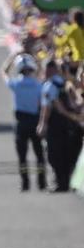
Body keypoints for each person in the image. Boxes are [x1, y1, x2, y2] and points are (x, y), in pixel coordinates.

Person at [1, 53, 46, 191]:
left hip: (21, 123)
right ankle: (41, 183)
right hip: (35, 121)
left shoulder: (16, 83)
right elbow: (41, 71)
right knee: (39, 154)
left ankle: (25, 183)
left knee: (22, 156)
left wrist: (11, 57)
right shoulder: (38, 84)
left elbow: (3, 72)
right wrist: (37, 60)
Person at [37, 59, 83, 192]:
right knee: (69, 154)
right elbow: (77, 102)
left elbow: (46, 108)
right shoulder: (68, 83)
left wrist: (42, 124)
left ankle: (61, 183)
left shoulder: (49, 85)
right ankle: (69, 182)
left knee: (54, 155)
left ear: (51, 70)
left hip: (56, 124)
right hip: (72, 125)